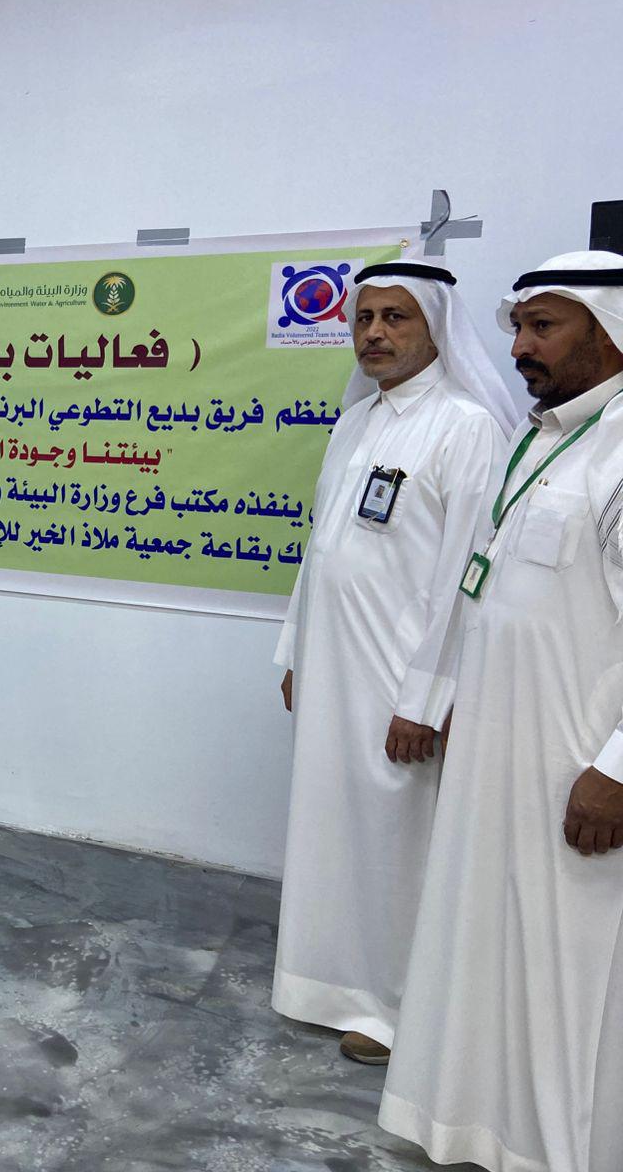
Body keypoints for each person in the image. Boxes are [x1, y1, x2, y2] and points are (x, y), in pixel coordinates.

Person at [380, 251, 623, 1171]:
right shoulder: (544, 438)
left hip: (575, 768)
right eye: (516, 326)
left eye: (543, 326)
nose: (520, 346)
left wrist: (617, 769)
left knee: (567, 979)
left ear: (611, 331)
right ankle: (483, 1133)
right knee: (486, 954)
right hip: (497, 757)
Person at [271, 261, 514, 1065]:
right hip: (333, 668)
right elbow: (321, 549)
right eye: (364, 317)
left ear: (435, 327)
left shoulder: (465, 428)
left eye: (395, 317)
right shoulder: (356, 423)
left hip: (400, 680)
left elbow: (467, 578)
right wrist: (293, 648)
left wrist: (425, 697)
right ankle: (326, 983)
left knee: (396, 839)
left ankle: (396, 1008)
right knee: (334, 827)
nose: (374, 333)